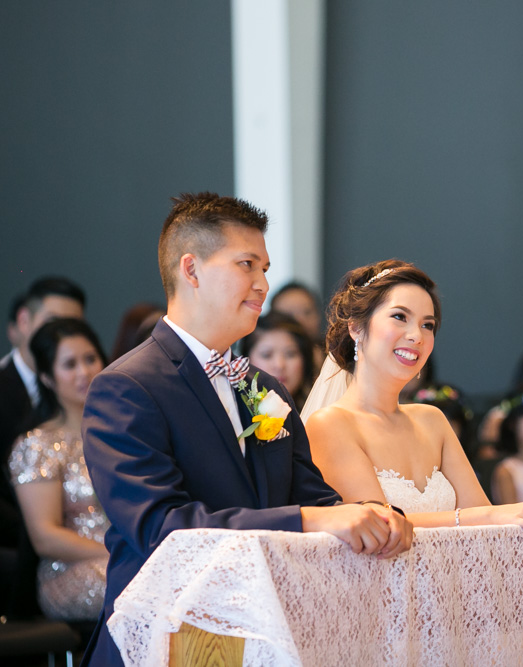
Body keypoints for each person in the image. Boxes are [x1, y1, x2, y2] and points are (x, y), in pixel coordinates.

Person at [81, 193, 413, 667]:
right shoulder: (127, 387)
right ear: (191, 270)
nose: (263, 284)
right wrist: (314, 521)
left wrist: (371, 516)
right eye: (247, 265)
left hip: (267, 635)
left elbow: (315, 499)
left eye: (265, 267)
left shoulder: (262, 387)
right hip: (167, 638)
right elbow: (162, 529)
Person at [303, 260, 523, 535]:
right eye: (399, 317)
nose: (416, 336)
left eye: (427, 325)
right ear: (356, 328)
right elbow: (380, 525)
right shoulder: (329, 424)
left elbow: (484, 519)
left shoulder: (432, 420)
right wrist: (496, 513)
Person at [8, 318, 109, 621]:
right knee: (144, 588)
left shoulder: (122, 432)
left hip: (130, 557)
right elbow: (45, 536)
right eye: (69, 364)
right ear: (48, 378)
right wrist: (116, 552)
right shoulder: (36, 444)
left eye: (90, 359)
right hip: (69, 571)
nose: (84, 372)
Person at [0, 278, 86, 551]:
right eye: (52, 322)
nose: (61, 333)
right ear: (24, 321)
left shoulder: (86, 395)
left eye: (72, 325)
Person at [241, 311, 316, 411]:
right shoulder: (236, 414)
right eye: (266, 355)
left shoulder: (318, 412)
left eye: (290, 354)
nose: (279, 365)